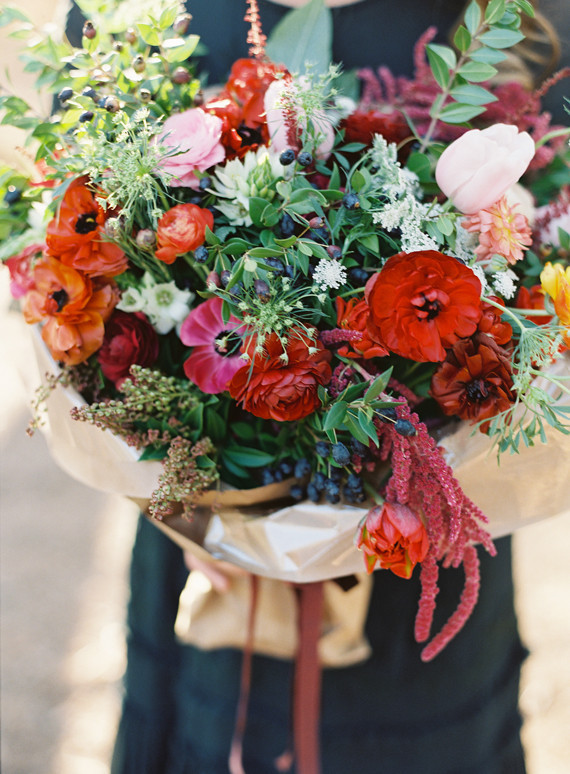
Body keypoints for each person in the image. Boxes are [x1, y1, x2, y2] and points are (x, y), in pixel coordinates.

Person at [60, 1, 565, 772]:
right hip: (204, 554)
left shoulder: (517, 17)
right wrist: (199, 493)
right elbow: (73, 235)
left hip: (425, 549)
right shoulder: (136, 13)